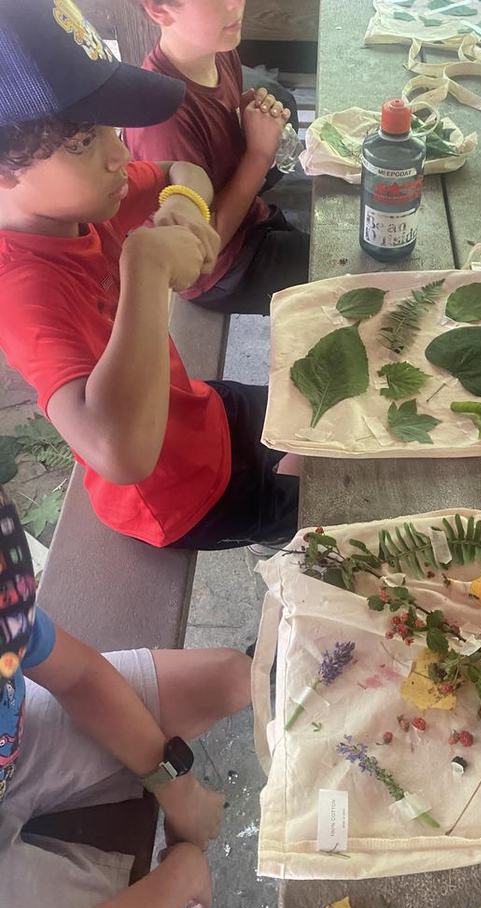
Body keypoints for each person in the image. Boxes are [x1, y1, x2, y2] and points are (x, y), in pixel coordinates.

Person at [0, 0, 299, 551]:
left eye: (108, 129)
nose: (118, 153)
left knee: (321, 412)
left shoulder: (87, 200)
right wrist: (145, 267)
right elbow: (121, 455)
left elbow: (178, 171)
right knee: (342, 495)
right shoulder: (21, 292)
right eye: (82, 141)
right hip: (183, 498)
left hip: (199, 411)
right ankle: (272, 533)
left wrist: (185, 204)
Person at [0, 485, 251, 908]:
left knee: (232, 678)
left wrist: (178, 788)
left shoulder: (6, 602)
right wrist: (177, 877)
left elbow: (78, 677)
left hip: (15, 750)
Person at [124, 0, 311, 315]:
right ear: (159, 10)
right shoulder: (162, 119)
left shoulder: (220, 50)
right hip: (222, 270)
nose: (236, 3)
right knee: (345, 278)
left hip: (249, 216)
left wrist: (249, 117)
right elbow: (200, 253)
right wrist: (258, 155)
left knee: (281, 103)